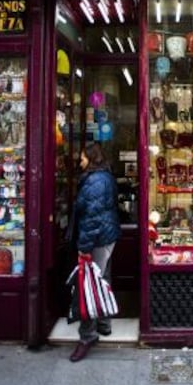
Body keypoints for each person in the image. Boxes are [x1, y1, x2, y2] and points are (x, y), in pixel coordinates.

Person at [68, 142, 121, 363]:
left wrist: (84, 248)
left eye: (82, 157)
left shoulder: (94, 182)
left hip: (97, 239)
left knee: (87, 284)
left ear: (90, 158)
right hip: (107, 236)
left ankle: (87, 336)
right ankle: (104, 323)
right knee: (102, 279)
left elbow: (91, 219)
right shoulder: (104, 176)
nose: (80, 161)